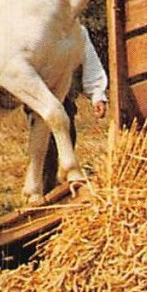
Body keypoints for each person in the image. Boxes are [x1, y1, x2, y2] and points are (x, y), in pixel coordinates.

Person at [34, 24, 108, 197]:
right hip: (40, 104)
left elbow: (89, 61)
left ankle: (62, 193)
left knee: (66, 141)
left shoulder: (76, 31)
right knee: (43, 150)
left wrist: (97, 94)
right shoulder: (37, 31)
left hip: (66, 103)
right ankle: (44, 197)